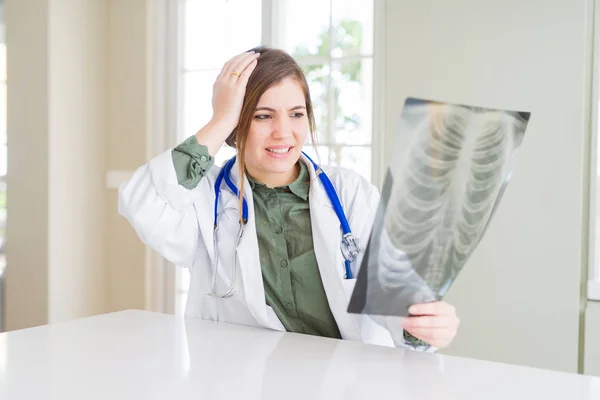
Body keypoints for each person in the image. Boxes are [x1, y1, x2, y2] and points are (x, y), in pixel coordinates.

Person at [118, 46, 459, 350]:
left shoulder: (349, 193)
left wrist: (422, 325)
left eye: (296, 114)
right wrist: (220, 118)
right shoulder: (206, 198)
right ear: (237, 125)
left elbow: (392, 290)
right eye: (263, 115)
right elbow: (142, 202)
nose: (284, 132)